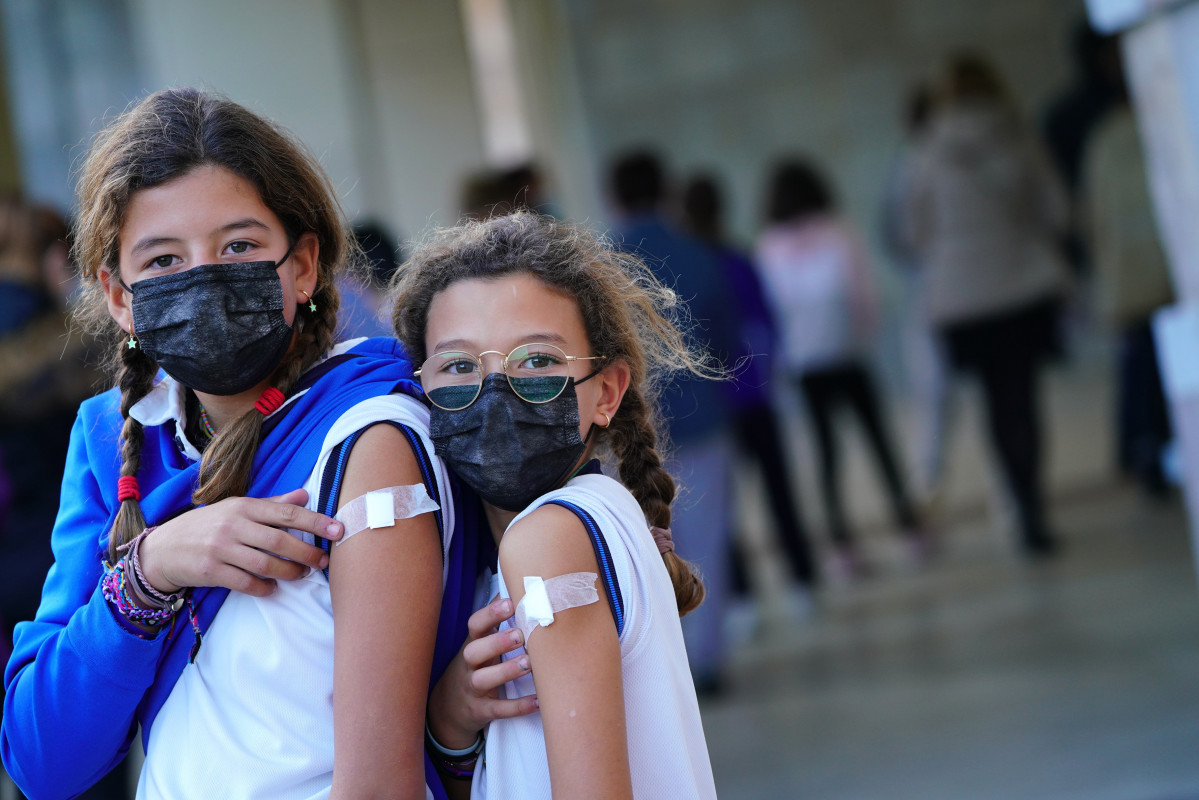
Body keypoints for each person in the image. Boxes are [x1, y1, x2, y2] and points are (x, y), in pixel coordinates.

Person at [1, 88, 462, 800]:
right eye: (161, 261)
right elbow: (42, 761)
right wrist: (152, 569)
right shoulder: (110, 439)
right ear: (118, 296)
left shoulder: (369, 429)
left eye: (239, 246)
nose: (204, 277)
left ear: (304, 266)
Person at [393, 211, 718, 799]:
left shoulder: (548, 540)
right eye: (460, 366)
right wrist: (452, 722)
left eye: (538, 363)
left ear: (608, 392)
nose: (493, 392)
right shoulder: (595, 519)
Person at [900, 54, 1070, 555]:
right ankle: (1032, 504)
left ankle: (1019, 505)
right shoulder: (1019, 138)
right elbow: (1057, 212)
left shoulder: (925, 151)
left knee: (995, 402)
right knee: (1023, 400)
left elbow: (913, 232)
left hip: (963, 301)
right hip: (1022, 289)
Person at [607, 150, 739, 692]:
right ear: (665, 191)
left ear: (613, 195)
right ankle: (705, 660)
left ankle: (658, 669)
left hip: (629, 429)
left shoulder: (603, 265)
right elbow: (730, 345)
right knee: (704, 541)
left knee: (639, 548)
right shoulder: (698, 252)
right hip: (703, 418)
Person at [758, 158, 925, 577]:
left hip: (804, 363)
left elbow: (772, 311)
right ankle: (910, 532)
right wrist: (863, 335)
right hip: (848, 354)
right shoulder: (839, 231)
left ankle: (842, 547)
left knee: (827, 456)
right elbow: (863, 294)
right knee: (879, 443)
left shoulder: (769, 245)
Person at [680, 173, 817, 604]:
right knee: (780, 493)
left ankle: (740, 595)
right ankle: (801, 580)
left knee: (722, 509)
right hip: (753, 394)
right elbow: (768, 326)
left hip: (718, 403)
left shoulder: (692, 269)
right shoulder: (738, 261)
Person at [1083, 96, 1174, 495]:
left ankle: (1144, 449)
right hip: (1164, 264)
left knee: (1140, 362)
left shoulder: (1105, 140)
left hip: (1130, 270)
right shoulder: (1155, 127)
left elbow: (1092, 216)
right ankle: (1154, 449)